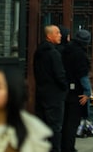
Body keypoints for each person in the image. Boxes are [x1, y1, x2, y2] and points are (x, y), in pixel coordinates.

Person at [33, 24, 67, 152]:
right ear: (49, 35)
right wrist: (64, 87)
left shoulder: (39, 52)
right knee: (55, 127)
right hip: (54, 95)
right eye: (57, 33)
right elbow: (60, 75)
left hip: (41, 92)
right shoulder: (54, 54)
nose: (60, 35)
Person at [60, 29, 91, 152]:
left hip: (65, 90)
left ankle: (63, 146)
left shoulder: (64, 50)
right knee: (72, 123)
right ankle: (69, 147)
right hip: (77, 92)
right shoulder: (80, 54)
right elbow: (83, 76)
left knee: (65, 121)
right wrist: (87, 93)